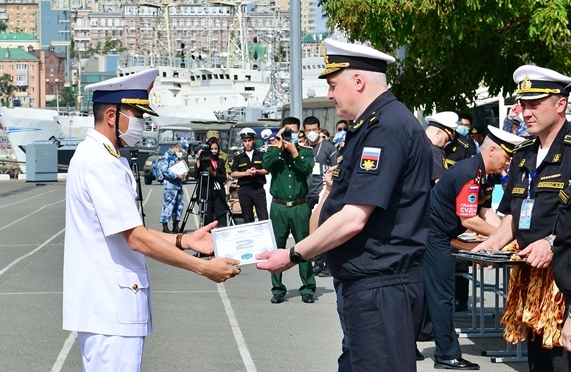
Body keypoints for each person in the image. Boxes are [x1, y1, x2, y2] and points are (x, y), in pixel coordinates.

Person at [257, 38, 432, 371]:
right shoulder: (372, 126)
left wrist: (294, 254)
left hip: (381, 288)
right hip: (368, 286)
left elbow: (353, 218)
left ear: (358, 81)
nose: (329, 95)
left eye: (333, 85)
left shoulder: (386, 128)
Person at [63, 68, 241, 372]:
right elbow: (135, 238)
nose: (142, 124)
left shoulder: (100, 156)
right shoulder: (100, 163)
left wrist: (184, 240)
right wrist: (201, 267)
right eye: (136, 114)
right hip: (110, 308)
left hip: (109, 306)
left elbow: (128, 231)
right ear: (111, 115)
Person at [475, 65, 571, 371]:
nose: (525, 112)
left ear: (560, 104)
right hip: (530, 279)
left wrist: (552, 244)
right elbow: (515, 217)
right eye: (523, 104)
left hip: (564, 281)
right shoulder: (523, 153)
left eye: (534, 104)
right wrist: (491, 244)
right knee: (539, 364)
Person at [425, 125, 524, 370]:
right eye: (507, 157)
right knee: (442, 297)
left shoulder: (484, 175)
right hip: (433, 235)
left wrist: (504, 233)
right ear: (492, 151)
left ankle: (413, 346)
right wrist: (507, 236)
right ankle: (446, 356)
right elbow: (468, 219)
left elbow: (485, 211)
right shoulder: (469, 173)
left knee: (433, 294)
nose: (508, 164)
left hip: (441, 234)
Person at [262, 116, 317, 304]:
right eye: (287, 130)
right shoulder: (274, 150)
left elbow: (306, 169)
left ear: (299, 133)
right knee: (277, 246)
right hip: (279, 207)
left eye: (293, 131)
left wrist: (294, 152)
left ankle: (308, 288)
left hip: (300, 206)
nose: (289, 134)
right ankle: (278, 289)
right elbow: (266, 164)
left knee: (304, 248)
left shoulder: (306, 152)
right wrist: (278, 144)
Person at [303, 115, 338, 277]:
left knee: (323, 228)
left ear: (319, 130)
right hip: (305, 194)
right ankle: (317, 261)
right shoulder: (301, 148)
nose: (311, 133)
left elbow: (335, 169)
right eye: (308, 130)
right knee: (310, 229)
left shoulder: (329, 148)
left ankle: (328, 264)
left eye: (314, 130)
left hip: (322, 192)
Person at [230, 127, 269, 224]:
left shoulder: (261, 154)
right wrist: (245, 173)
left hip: (258, 189)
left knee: (263, 215)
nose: (247, 143)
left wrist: (257, 171)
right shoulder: (239, 156)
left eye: (249, 140)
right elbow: (233, 173)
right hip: (244, 189)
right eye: (245, 141)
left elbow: (267, 170)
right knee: (247, 216)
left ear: (254, 140)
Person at [193, 138, 229, 227]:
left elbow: (223, 177)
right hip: (206, 192)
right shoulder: (203, 161)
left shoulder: (220, 161)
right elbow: (196, 175)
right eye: (211, 149)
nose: (214, 151)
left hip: (218, 192)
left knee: (221, 216)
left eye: (216, 149)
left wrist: (214, 173)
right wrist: (198, 160)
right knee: (207, 218)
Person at [424, 111, 458, 186]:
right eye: (445, 140)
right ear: (438, 133)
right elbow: (442, 185)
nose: (444, 145)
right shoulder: (434, 151)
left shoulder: (414, 143)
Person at [159, 141, 185, 233]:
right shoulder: (166, 156)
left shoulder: (176, 157)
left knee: (179, 206)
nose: (181, 152)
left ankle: (175, 225)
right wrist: (176, 176)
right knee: (168, 206)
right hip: (170, 186)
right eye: (181, 149)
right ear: (176, 147)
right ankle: (165, 226)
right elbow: (164, 170)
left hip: (178, 185)